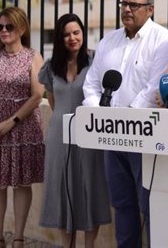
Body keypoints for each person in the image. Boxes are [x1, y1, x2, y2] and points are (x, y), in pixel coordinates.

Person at [82, 0, 168, 248]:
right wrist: (101, 116)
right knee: (122, 205)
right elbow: (91, 85)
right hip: (111, 138)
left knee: (151, 206)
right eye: (124, 4)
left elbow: (154, 89)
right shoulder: (108, 41)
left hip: (146, 138)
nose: (127, 9)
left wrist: (124, 123)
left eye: (134, 5)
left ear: (150, 9)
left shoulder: (164, 40)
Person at [0, 6, 46, 248]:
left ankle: (19, 237)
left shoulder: (33, 57)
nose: (3, 31)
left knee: (22, 183)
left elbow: (37, 95)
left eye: (9, 26)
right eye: (0, 26)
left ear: (21, 29)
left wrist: (10, 122)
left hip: (22, 129)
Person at [38, 13, 112, 248]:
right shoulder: (51, 67)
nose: (72, 38)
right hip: (59, 133)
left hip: (89, 132)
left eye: (76, 32)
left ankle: (88, 245)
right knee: (61, 188)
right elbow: (53, 101)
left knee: (90, 185)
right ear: (60, 38)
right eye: (67, 34)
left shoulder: (95, 62)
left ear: (83, 33)